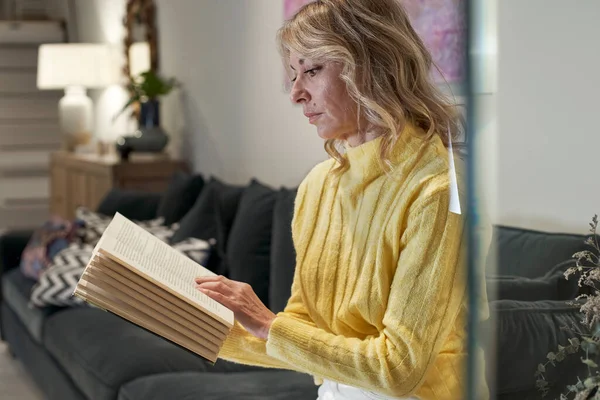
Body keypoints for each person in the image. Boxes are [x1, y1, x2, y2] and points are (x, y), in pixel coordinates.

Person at [194, 0, 489, 399]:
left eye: (312, 70)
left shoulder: (438, 190)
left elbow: (399, 369)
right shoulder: (318, 187)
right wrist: (193, 327)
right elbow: (305, 336)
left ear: (371, 64)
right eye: (294, 74)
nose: (296, 93)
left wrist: (268, 324)